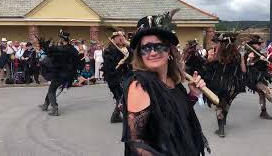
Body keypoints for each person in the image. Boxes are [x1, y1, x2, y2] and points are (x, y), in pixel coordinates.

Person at [122, 10, 210, 155]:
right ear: (140, 53)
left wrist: (193, 95)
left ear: (169, 50)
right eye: (146, 48)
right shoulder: (140, 86)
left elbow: (176, 116)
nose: (153, 52)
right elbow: (136, 142)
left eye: (159, 46)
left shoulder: (173, 81)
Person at [204, 33, 247, 138]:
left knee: (219, 105)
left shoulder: (218, 53)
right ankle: (223, 121)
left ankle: (221, 129)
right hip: (232, 85)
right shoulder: (238, 55)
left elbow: (209, 63)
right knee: (226, 103)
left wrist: (210, 58)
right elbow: (244, 70)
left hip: (219, 83)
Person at [38, 30, 79, 116]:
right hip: (67, 74)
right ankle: (46, 104)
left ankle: (54, 109)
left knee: (51, 90)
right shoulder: (73, 50)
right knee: (52, 88)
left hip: (60, 73)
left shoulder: (61, 49)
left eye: (60, 38)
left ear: (62, 39)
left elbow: (49, 51)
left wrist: (43, 45)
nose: (59, 40)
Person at [102, 30, 131, 123]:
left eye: (123, 37)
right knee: (122, 97)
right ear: (113, 39)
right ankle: (129, 117)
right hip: (114, 78)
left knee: (121, 97)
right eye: (119, 37)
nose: (121, 39)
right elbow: (110, 68)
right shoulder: (108, 51)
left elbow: (132, 54)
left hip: (122, 77)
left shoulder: (123, 49)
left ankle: (115, 116)